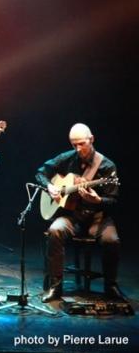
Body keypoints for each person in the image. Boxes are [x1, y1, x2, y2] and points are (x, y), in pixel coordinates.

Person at [37, 123, 124, 302]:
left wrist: (98, 200)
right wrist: (50, 187)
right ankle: (55, 286)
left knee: (112, 240)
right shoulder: (67, 158)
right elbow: (40, 172)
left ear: (91, 139)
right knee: (55, 230)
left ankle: (111, 286)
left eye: (82, 144)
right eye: (74, 144)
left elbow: (113, 200)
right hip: (72, 216)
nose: (78, 149)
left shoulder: (107, 166)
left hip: (97, 218)